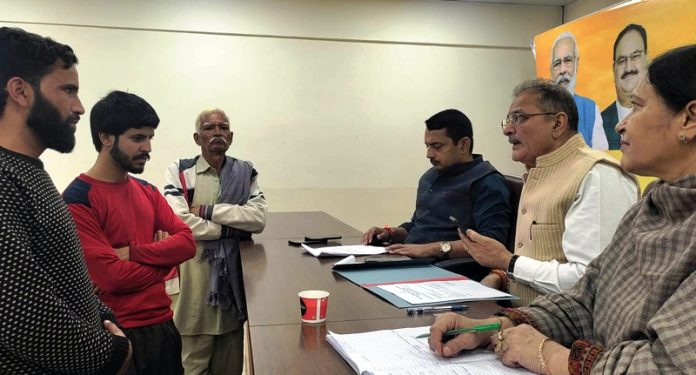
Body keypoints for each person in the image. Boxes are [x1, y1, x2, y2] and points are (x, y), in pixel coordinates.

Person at [429, 44, 696, 374]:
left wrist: (550, 355)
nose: (620, 125)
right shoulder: (652, 205)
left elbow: (668, 366)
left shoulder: (598, 175)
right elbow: (586, 299)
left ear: (689, 119)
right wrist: (495, 328)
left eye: (637, 106)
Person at [0, 27, 131, 374]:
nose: (79, 107)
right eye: (68, 90)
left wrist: (101, 317)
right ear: (20, 91)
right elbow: (19, 312)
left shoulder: (27, 169)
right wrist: (109, 354)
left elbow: (59, 273)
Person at [460, 79, 638, 306]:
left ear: (557, 124)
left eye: (519, 118)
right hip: (522, 322)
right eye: (508, 120)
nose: (507, 129)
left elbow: (591, 280)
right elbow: (537, 262)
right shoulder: (540, 172)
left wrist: (508, 262)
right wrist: (501, 276)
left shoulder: (598, 175)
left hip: (565, 337)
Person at [63, 91, 196, 374]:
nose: (147, 147)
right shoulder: (78, 199)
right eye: (138, 138)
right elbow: (112, 278)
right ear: (106, 137)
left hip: (163, 328)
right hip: (118, 333)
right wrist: (165, 261)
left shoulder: (147, 190)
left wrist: (134, 253)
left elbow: (187, 244)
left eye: (150, 138)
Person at [163, 108, 268, 375]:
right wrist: (228, 231)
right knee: (191, 367)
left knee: (230, 367)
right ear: (197, 137)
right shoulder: (180, 171)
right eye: (209, 128)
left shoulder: (246, 172)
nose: (217, 132)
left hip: (232, 289)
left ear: (231, 136)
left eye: (223, 127)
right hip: (193, 288)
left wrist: (208, 211)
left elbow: (257, 219)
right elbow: (179, 221)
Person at [361, 109, 511, 262]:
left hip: (446, 269)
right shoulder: (429, 176)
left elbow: (491, 242)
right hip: (411, 259)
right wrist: (390, 233)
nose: (429, 154)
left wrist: (429, 249)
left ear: (463, 145)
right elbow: (418, 225)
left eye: (437, 146)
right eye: (427, 146)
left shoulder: (486, 182)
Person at [550, 32, 608, 150]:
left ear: (577, 63)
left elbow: (601, 156)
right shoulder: (539, 108)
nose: (563, 70)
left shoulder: (590, 109)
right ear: (551, 70)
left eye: (568, 60)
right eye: (557, 63)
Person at [601, 24, 649, 150]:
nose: (628, 68)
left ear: (647, 60)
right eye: (621, 60)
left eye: (635, 56)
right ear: (613, 69)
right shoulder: (599, 122)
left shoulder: (666, 118)